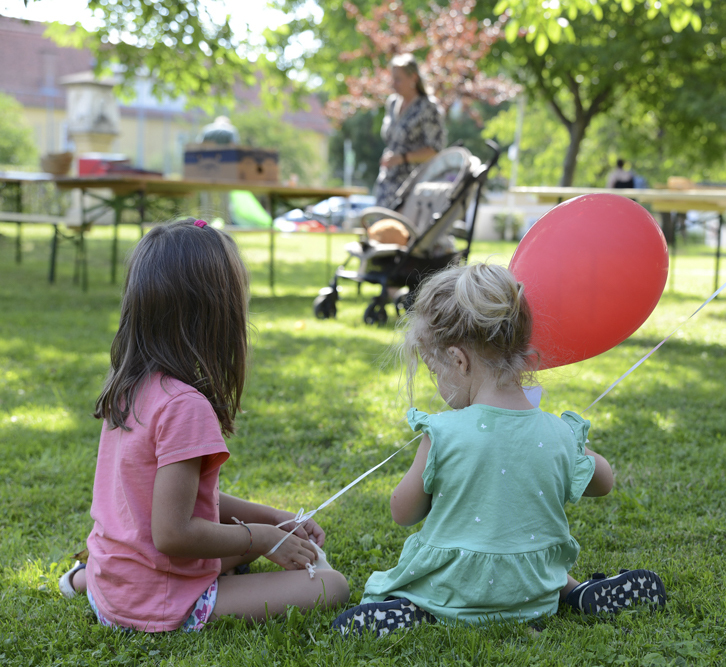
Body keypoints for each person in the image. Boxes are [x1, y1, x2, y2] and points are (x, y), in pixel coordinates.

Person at [332, 263, 664, 638]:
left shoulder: (443, 432)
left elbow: (403, 512)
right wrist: (572, 446)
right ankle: (576, 592)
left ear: (459, 360)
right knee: (529, 556)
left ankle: (419, 609)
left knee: (427, 586)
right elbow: (604, 482)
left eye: (434, 370)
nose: (437, 382)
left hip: (456, 588)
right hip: (533, 592)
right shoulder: (558, 432)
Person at [58, 219, 349, 632]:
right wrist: (263, 538)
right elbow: (173, 533)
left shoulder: (132, 385)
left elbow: (175, 497)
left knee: (241, 543)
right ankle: (130, 592)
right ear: (215, 313)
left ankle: (82, 579)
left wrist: (275, 520)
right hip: (155, 599)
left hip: (115, 578)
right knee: (331, 586)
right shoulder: (184, 406)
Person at [373, 54, 446, 207]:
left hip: (413, 187)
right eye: (393, 79)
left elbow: (435, 150)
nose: (393, 84)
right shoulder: (392, 103)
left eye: (398, 79)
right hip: (387, 183)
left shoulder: (427, 107)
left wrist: (403, 158)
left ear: (413, 78)